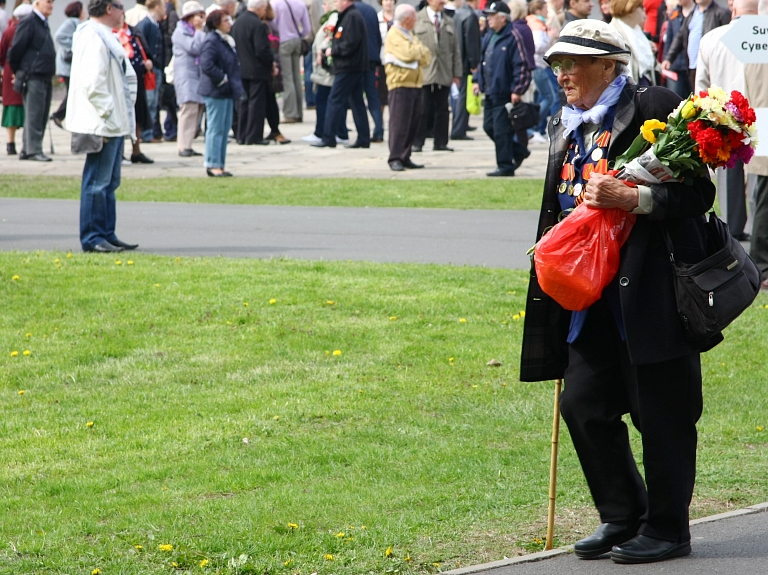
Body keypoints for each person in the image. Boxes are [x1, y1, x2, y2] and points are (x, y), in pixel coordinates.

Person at [521, 19, 718, 564]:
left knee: (661, 414)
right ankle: (622, 514)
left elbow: (698, 193)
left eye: (573, 63)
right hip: (589, 296)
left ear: (609, 64)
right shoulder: (569, 123)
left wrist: (636, 202)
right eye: (556, 65)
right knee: (584, 404)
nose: (561, 74)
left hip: (651, 293)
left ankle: (667, 527)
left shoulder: (654, 103)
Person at [67, 0, 139, 253]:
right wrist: (108, 112)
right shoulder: (92, 36)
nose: (124, 12)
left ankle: (107, 233)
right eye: (121, 6)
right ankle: (93, 237)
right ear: (109, 8)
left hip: (113, 122)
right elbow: (93, 83)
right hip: (102, 122)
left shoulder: (104, 35)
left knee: (109, 182)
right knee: (97, 181)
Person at [695, 0, 755, 241]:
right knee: (760, 181)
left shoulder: (711, 38)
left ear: (731, 5)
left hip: (723, 116)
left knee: (730, 175)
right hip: (758, 112)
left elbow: (700, 87)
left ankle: (732, 231)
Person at [473, 1, 530, 177]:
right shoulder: (490, 35)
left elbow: (521, 65)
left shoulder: (513, 36)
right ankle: (519, 151)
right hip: (490, 90)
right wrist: (478, 81)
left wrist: (517, 90)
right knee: (488, 126)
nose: (488, 19)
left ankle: (505, 165)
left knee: (500, 130)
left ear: (502, 18)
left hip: (504, 92)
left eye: (492, 15)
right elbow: (483, 61)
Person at [310, 0, 370, 149]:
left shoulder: (352, 17)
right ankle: (363, 138)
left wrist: (333, 50)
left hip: (349, 66)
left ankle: (329, 137)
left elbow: (350, 43)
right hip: (351, 66)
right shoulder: (348, 16)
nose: (335, 3)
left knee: (334, 100)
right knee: (356, 102)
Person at [8, 0, 55, 162]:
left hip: (44, 74)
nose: (51, 5)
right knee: (34, 114)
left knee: (40, 115)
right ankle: (33, 149)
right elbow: (15, 50)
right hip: (33, 75)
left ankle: (28, 148)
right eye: (48, 2)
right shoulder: (29, 22)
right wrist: (19, 71)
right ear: (37, 3)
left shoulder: (42, 23)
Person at [384, 3, 431, 171]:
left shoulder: (410, 35)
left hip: (416, 83)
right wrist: (416, 52)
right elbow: (408, 54)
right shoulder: (394, 35)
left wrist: (415, 52)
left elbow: (427, 55)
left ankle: (406, 155)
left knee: (413, 122)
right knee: (399, 123)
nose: (416, 21)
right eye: (414, 18)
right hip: (400, 84)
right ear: (406, 19)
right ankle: (395, 157)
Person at [199, 8, 244, 176]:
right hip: (215, 90)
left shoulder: (225, 40)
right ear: (216, 23)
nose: (229, 23)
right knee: (215, 128)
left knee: (224, 129)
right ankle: (212, 164)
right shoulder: (212, 40)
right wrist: (222, 79)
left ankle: (220, 162)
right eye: (226, 20)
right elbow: (207, 64)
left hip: (226, 90)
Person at [412, 0, 461, 153]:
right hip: (424, 72)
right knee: (422, 108)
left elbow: (456, 50)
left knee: (443, 109)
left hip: (443, 71)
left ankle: (441, 142)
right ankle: (417, 142)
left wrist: (456, 74)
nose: (442, 2)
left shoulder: (449, 21)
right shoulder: (417, 19)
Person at [303, 0, 350, 143]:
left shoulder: (333, 19)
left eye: (325, 4)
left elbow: (330, 39)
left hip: (327, 69)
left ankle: (324, 132)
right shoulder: (331, 18)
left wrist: (322, 52)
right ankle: (338, 132)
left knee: (324, 100)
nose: (322, 7)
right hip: (325, 68)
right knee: (332, 100)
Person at [661, 0, 730, 90]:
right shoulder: (692, 14)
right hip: (692, 66)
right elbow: (680, 36)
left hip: (710, 68)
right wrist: (669, 58)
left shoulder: (721, 13)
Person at [231, 0, 273, 145]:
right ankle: (254, 136)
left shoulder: (237, 23)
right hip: (256, 70)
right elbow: (262, 49)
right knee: (256, 104)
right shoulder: (257, 25)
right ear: (260, 8)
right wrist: (271, 62)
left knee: (243, 103)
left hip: (241, 69)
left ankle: (241, 135)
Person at [114, 17, 155, 164]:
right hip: (119, 80)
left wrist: (148, 61)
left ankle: (136, 151)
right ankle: (119, 153)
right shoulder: (110, 33)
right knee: (122, 116)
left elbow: (143, 50)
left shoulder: (133, 31)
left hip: (137, 79)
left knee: (137, 115)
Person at [172, 0, 206, 157]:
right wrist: (199, 30)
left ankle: (189, 144)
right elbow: (195, 48)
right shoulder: (181, 32)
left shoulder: (196, 31)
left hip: (198, 76)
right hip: (186, 77)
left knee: (197, 109)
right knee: (188, 110)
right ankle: (182, 146)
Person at [0, 2, 32, 155]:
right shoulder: (31, 31)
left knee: (12, 107)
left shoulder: (9, 31)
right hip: (27, 71)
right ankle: (27, 143)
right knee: (27, 106)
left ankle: (10, 143)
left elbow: (1, 53)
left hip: (9, 71)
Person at [271, 0, 310, 123]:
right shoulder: (300, 4)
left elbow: (273, 24)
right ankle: (299, 112)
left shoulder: (275, 4)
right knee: (296, 77)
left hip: (283, 41)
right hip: (296, 40)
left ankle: (290, 113)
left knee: (287, 77)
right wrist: (299, 35)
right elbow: (307, 28)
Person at [136, 0, 167, 143]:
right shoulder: (146, 23)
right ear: (157, 7)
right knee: (149, 101)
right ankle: (145, 133)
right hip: (149, 69)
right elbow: (138, 43)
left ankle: (149, 132)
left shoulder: (155, 23)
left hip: (156, 68)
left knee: (153, 101)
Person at [50, 1, 85, 129]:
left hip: (68, 65)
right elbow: (59, 36)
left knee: (72, 92)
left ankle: (61, 115)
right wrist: (74, 46)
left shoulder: (75, 23)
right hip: (67, 65)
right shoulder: (72, 22)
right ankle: (58, 115)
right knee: (72, 92)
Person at [527, 0, 558, 143]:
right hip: (538, 66)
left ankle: (535, 129)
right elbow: (537, 46)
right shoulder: (537, 25)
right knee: (549, 97)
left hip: (538, 66)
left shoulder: (534, 22)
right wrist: (550, 37)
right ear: (539, 10)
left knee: (542, 98)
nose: (547, 12)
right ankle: (533, 128)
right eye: (545, 9)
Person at [451, 0, 480, 140]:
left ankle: (460, 125)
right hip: (465, 62)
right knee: (464, 96)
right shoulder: (470, 15)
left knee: (460, 96)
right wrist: (474, 63)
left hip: (458, 60)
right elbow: (472, 42)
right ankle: (458, 129)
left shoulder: (458, 14)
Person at [354, 0, 383, 142]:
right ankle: (379, 130)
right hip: (371, 57)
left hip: (357, 59)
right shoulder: (371, 10)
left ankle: (363, 133)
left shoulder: (351, 10)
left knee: (356, 96)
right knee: (373, 95)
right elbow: (377, 36)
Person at [263, 0, 291, 143]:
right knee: (271, 98)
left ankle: (275, 129)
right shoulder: (272, 24)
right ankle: (275, 129)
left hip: (271, 64)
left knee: (270, 99)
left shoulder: (266, 26)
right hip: (275, 62)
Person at [610, 0, 656, 85]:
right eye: (641, 7)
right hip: (628, 88)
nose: (644, 10)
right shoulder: (613, 34)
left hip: (643, 82)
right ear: (630, 9)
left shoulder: (636, 30)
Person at [661, 0, 693, 97]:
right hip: (675, 66)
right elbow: (669, 39)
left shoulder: (697, 13)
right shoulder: (674, 13)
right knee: (675, 99)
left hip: (692, 66)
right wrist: (666, 59)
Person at [159, 0, 179, 141]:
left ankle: (171, 128)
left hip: (167, 59)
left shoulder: (169, 14)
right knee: (169, 98)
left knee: (168, 98)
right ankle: (171, 128)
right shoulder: (171, 14)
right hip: (168, 60)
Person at [376, 0, 395, 116]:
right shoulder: (377, 18)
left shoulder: (400, 18)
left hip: (397, 60)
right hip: (382, 59)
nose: (388, 3)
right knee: (381, 93)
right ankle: (380, 123)